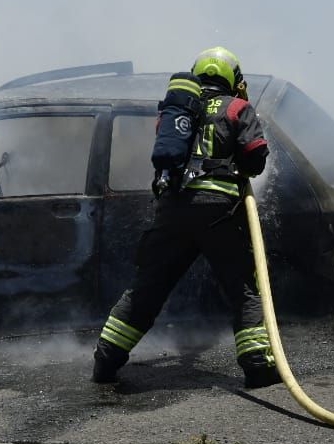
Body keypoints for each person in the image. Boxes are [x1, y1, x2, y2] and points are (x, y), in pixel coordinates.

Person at [91, 46, 281, 390]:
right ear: (233, 78)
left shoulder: (177, 110)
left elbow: (168, 155)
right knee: (242, 289)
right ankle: (257, 365)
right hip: (219, 211)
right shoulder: (238, 107)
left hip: (173, 211)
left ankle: (106, 359)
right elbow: (255, 158)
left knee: (147, 287)